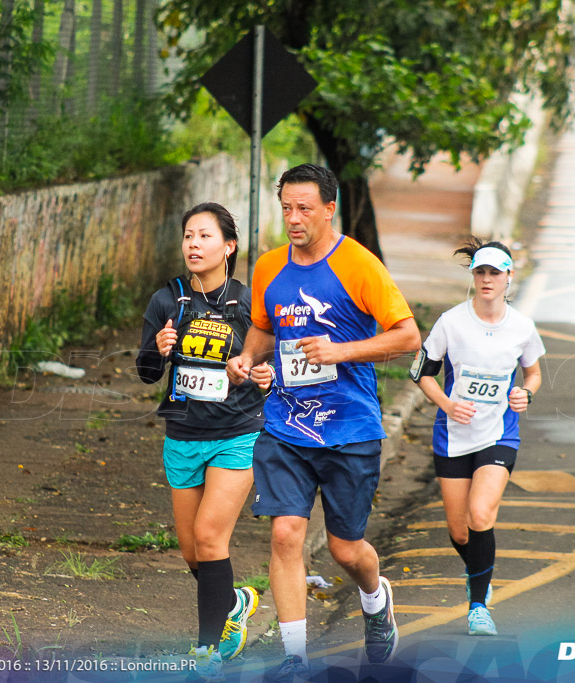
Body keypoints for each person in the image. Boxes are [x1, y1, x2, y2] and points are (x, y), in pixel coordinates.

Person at [226, 163, 420, 680]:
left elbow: (407, 337)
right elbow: (263, 330)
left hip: (350, 428)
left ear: (329, 209)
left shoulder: (359, 265)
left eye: (304, 208)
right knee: (286, 533)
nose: (293, 218)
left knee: (344, 548)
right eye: (286, 207)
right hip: (286, 425)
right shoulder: (268, 267)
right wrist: (245, 359)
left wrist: (341, 351)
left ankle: (376, 601)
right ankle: (294, 658)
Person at [136, 202, 268, 681]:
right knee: (192, 552)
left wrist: (264, 374)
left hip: (236, 433)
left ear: (228, 246)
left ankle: (206, 651)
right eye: (188, 236)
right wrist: (159, 349)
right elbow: (147, 373)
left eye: (205, 236)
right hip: (183, 434)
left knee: (212, 538)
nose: (194, 244)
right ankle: (235, 602)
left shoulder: (250, 304)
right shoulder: (166, 301)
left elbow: (267, 365)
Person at [410, 238, 544, 637]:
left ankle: (478, 605)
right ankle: (479, 574)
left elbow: (532, 373)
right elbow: (421, 373)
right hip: (452, 437)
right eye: (481, 272)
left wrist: (526, 393)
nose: (487, 279)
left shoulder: (521, 326)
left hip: (498, 435)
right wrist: (447, 406)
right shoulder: (451, 322)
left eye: (495, 273)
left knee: (481, 514)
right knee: (460, 531)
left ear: (508, 278)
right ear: (474, 276)